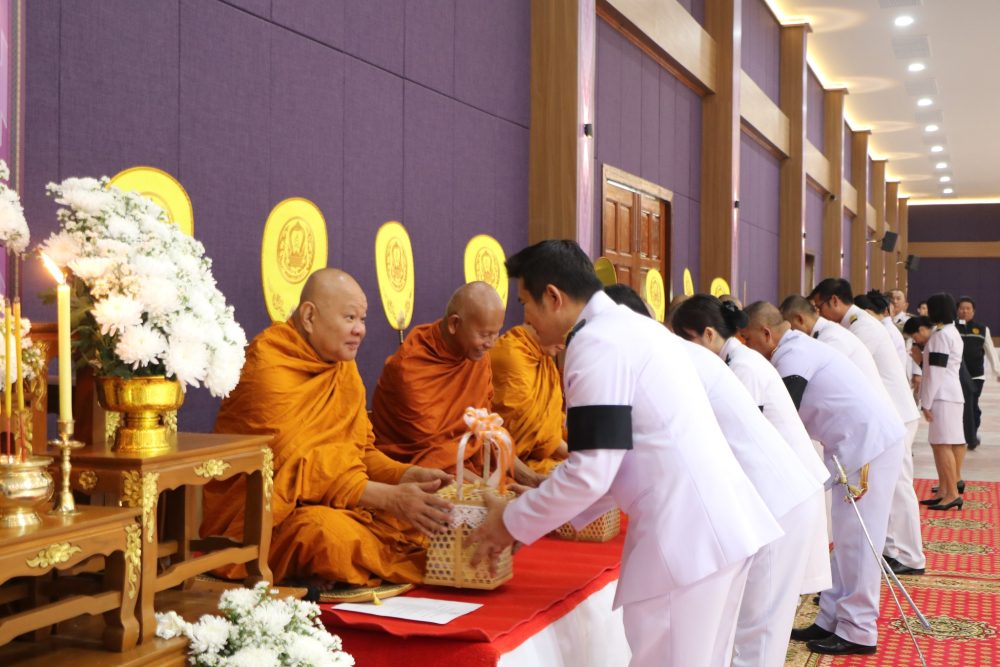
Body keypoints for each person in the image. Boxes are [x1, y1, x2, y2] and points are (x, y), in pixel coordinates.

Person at [472, 241, 782, 667]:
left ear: (553, 297)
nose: (524, 319)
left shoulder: (596, 343)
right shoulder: (637, 328)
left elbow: (591, 472)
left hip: (686, 539)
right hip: (712, 529)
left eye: (525, 303)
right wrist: (538, 509)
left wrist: (510, 523)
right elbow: (615, 458)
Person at [200, 269, 453, 589]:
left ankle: (330, 567)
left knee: (423, 519)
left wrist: (405, 475)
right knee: (328, 537)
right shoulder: (269, 366)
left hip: (331, 502)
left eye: (362, 319)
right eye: (350, 318)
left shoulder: (343, 368)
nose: (360, 330)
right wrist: (388, 498)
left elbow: (360, 454)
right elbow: (293, 470)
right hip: (263, 521)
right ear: (309, 317)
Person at [670, 294, 830, 667]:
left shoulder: (744, 368)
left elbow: (733, 444)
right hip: (779, 494)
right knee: (760, 621)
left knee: (760, 625)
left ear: (708, 334)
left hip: (780, 499)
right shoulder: (736, 362)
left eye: (686, 343)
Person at [742, 302, 905, 656]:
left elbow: (784, 412)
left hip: (868, 446)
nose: (747, 347)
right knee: (845, 542)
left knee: (858, 544)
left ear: (766, 334)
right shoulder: (796, 348)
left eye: (748, 339)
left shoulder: (793, 355)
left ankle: (859, 630)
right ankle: (830, 618)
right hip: (854, 447)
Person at [809, 279, 923, 577]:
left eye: (819, 306)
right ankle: (892, 549)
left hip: (896, 414)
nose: (819, 314)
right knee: (890, 488)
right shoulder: (856, 324)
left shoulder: (862, 328)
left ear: (834, 301)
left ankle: (911, 556)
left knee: (898, 487)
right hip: (890, 413)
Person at [372, 281, 505, 475]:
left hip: (470, 465)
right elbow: (434, 455)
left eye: (496, 334)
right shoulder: (410, 369)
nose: (491, 344)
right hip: (419, 473)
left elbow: (486, 429)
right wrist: (484, 487)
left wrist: (530, 478)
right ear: (454, 324)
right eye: (484, 335)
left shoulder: (476, 357)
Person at [489, 323, 568, 484]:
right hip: (510, 458)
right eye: (563, 332)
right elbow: (535, 430)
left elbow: (550, 427)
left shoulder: (544, 359)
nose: (564, 344)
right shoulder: (512, 356)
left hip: (539, 456)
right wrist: (579, 458)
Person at [919, 293, 967, 511]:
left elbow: (936, 372)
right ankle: (945, 491)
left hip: (942, 395)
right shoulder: (951, 332)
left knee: (942, 445)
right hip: (950, 394)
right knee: (944, 444)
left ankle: (952, 494)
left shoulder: (941, 335)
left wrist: (926, 401)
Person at [956, 296, 1000, 447]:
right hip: (956, 375)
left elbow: (990, 351)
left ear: (973, 311)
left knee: (972, 406)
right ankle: (963, 435)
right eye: (962, 308)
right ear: (957, 310)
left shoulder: (982, 329)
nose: (965, 311)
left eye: (968, 308)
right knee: (960, 406)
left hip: (976, 376)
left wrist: (997, 371)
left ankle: (972, 434)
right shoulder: (952, 328)